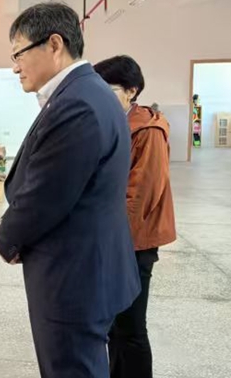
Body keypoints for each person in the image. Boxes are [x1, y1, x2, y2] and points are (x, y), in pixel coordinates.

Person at [0, 2, 141, 378]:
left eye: (18, 53)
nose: (15, 67)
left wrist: (6, 239)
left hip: (73, 278)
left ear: (54, 44)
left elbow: (44, 196)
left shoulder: (77, 105)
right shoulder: (89, 93)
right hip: (86, 268)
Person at [94, 55, 177, 378]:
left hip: (133, 242)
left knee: (130, 327)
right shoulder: (115, 122)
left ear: (131, 91)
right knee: (115, 325)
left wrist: (111, 243)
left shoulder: (148, 130)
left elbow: (140, 197)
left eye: (109, 90)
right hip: (113, 237)